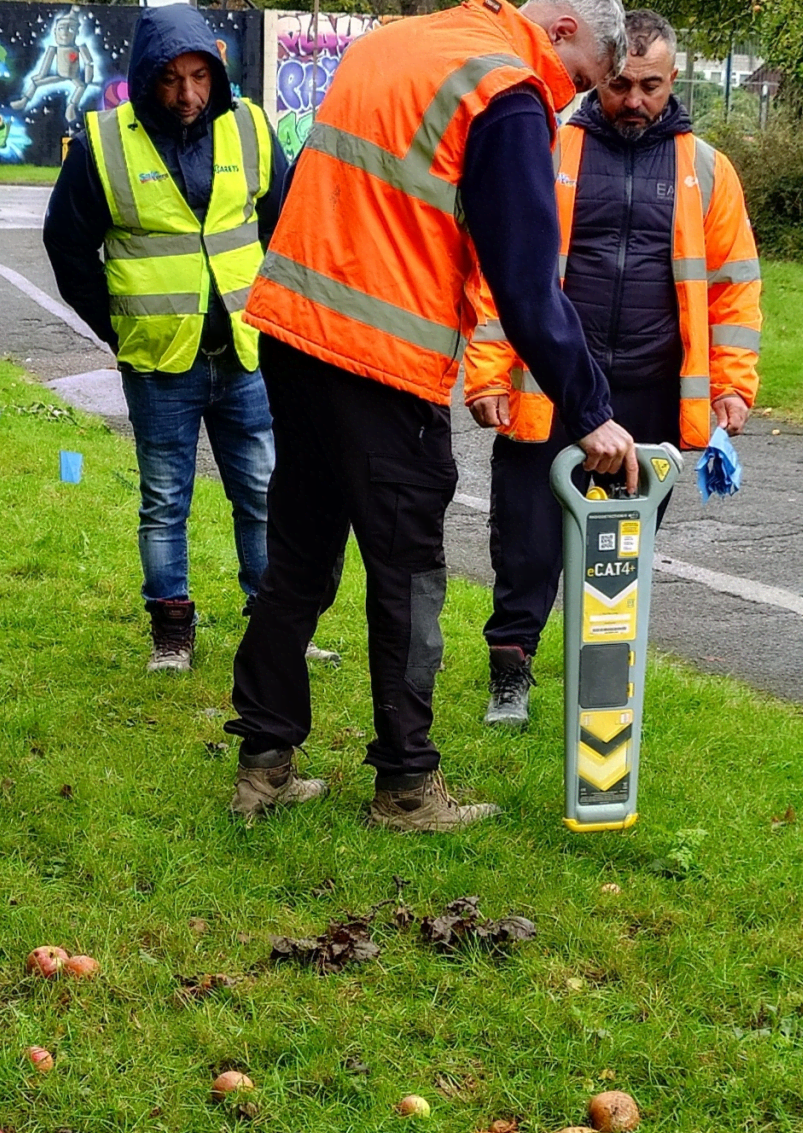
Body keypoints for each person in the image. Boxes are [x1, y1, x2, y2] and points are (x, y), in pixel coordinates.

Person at [224, 0, 638, 831]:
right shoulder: (507, 89)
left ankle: (263, 767)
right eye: (581, 82)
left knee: (298, 557)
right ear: (561, 32)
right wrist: (591, 410)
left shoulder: (395, 43)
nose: (567, 103)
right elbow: (526, 282)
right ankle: (407, 786)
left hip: (294, 330)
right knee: (408, 574)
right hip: (382, 361)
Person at [464, 8, 761, 727]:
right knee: (528, 544)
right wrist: (488, 372)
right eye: (623, 84)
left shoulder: (706, 170)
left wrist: (732, 385)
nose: (635, 100)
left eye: (652, 86)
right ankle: (511, 674)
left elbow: (735, 285)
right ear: (601, 74)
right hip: (550, 384)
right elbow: (499, 269)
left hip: (651, 395)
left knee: (619, 551)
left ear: (673, 79)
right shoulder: (549, 144)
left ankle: (602, 686)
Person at [42, 6, 292, 673]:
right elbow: (67, 246)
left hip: (245, 353)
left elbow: (288, 230)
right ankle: (171, 633)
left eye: (200, 77)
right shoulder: (103, 143)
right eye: (172, 80)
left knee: (264, 494)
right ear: (146, 78)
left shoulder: (253, 129)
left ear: (216, 71)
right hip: (159, 363)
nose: (188, 95)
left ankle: (271, 624)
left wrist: (279, 318)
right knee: (163, 502)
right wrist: (119, 323)